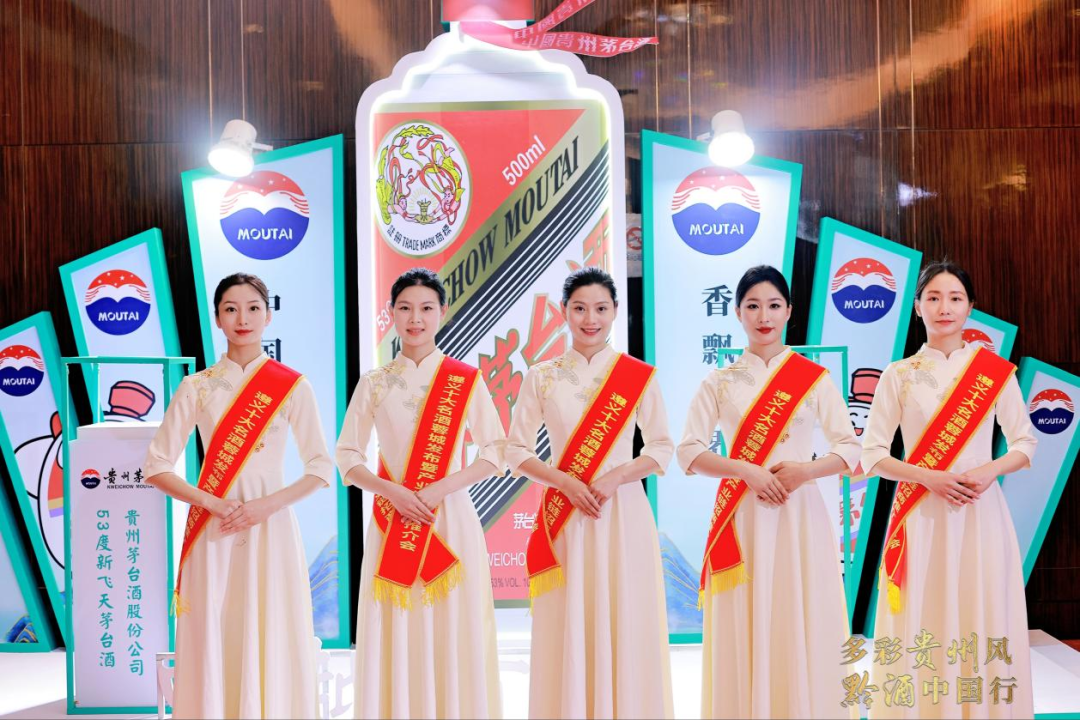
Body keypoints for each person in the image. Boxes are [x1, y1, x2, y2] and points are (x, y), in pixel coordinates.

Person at [144, 272, 332, 718]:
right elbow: (156, 466)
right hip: (215, 529)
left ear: (268, 316)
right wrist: (211, 503)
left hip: (272, 528)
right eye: (230, 309)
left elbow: (321, 468)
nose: (242, 318)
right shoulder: (198, 386)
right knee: (215, 625)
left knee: (270, 624)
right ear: (217, 318)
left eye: (252, 308)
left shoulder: (293, 386)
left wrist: (267, 505)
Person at [677, 265, 860, 718]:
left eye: (774, 305)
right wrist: (745, 470)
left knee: (802, 612)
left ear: (789, 311)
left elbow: (850, 450)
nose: (764, 316)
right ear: (738, 312)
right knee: (747, 614)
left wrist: (805, 471)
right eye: (753, 306)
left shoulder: (813, 378)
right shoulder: (719, 382)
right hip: (743, 515)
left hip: (800, 515)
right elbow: (688, 452)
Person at [862, 261, 1036, 718]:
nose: (945, 307)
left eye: (955, 298)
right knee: (925, 611)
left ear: (970, 307)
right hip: (920, 512)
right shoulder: (898, 374)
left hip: (980, 512)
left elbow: (1025, 444)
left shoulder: (993, 373)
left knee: (979, 608)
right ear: (917, 307)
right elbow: (873, 454)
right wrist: (928, 477)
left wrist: (990, 470)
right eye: (933, 298)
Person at [506, 266, 675, 719]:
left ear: (615, 310)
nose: (590, 319)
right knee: (570, 617)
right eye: (579, 308)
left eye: (600, 308)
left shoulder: (637, 376)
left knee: (623, 614)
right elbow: (515, 451)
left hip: (622, 513)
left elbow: (661, 448)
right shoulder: (542, 376)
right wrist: (565, 482)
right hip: (566, 514)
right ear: (564, 311)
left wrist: (616, 476)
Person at [336, 268, 503, 719]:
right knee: (398, 620)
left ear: (441, 312)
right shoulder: (374, 382)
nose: (415, 318)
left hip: (450, 520)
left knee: (453, 624)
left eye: (426, 308)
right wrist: (391, 491)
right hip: (393, 521)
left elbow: (496, 454)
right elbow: (347, 456)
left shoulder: (465, 380)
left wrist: (440, 488)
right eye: (405, 308)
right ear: (390, 313)